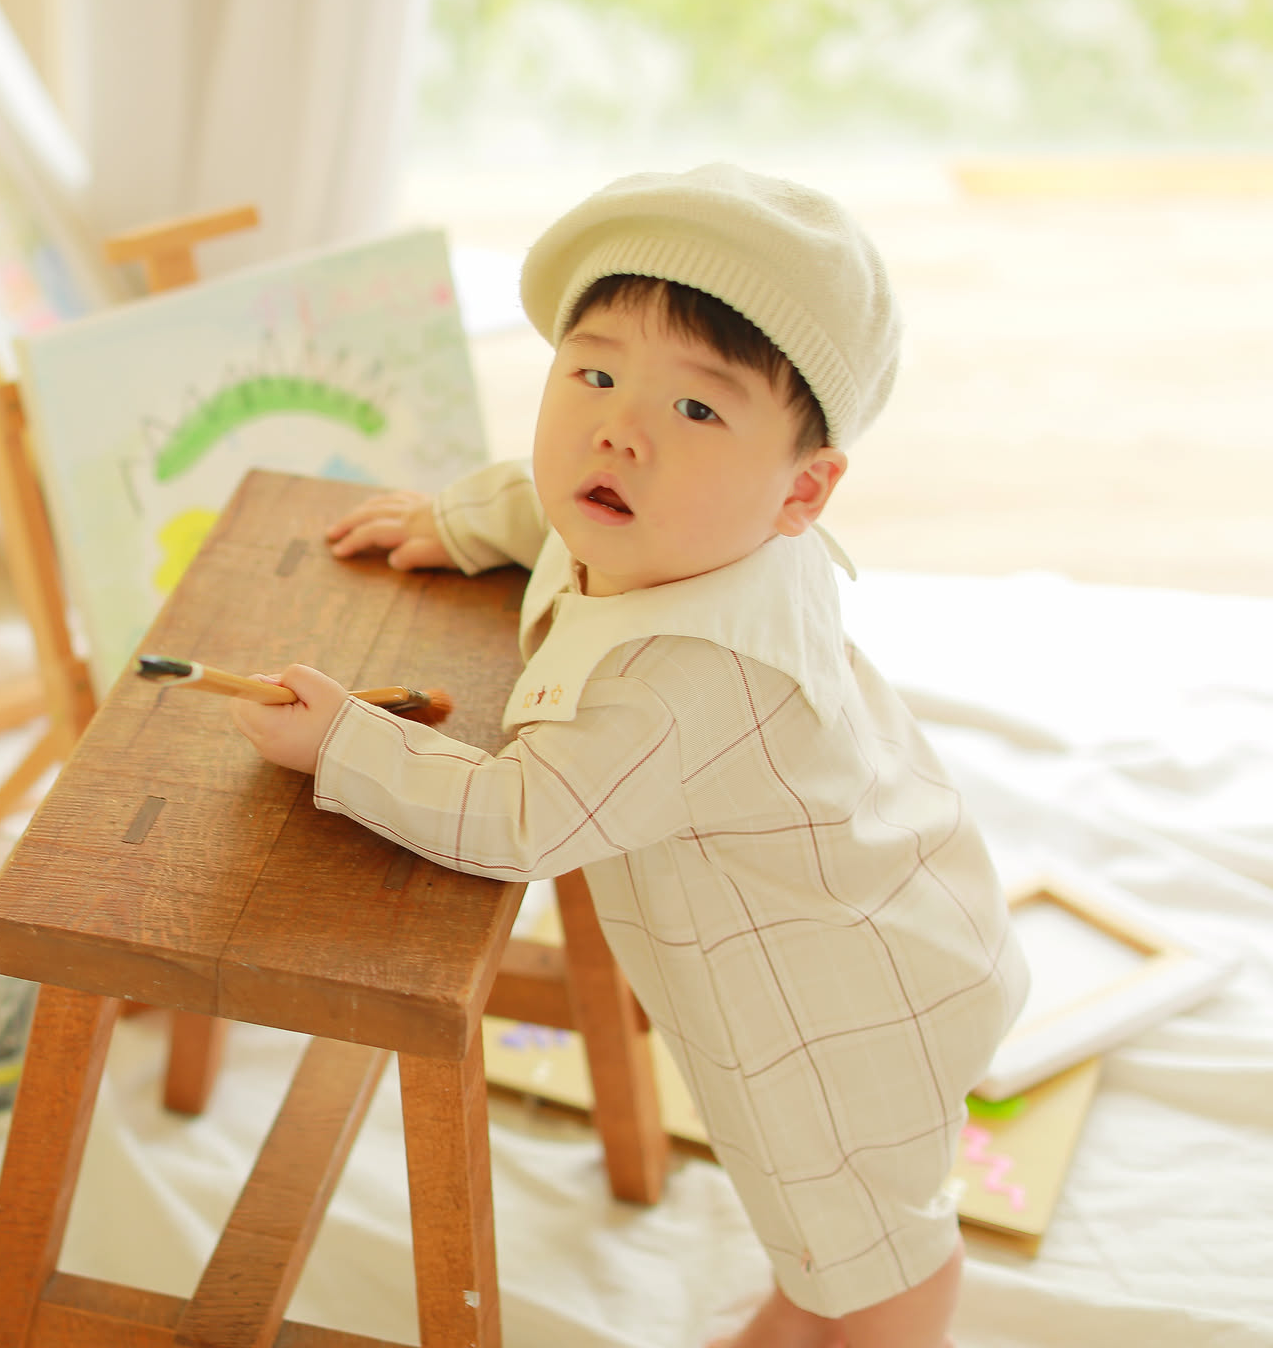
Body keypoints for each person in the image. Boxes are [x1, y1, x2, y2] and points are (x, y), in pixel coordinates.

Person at [228, 164, 1028, 1348]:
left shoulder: (688, 677)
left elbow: (525, 819)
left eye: (698, 410)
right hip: (882, 910)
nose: (619, 431)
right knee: (827, 1227)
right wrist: (456, 520)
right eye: (595, 375)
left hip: (838, 1007)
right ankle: (811, 1302)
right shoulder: (663, 518)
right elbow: (551, 503)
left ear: (805, 490)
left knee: (878, 1245)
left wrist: (348, 743)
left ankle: (874, 1326)